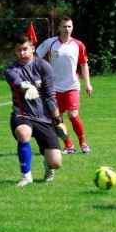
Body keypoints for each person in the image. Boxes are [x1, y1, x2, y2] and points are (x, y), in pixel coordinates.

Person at [4, 33, 63, 187]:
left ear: (32, 49)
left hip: (43, 118)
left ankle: (48, 166)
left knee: (56, 162)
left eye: (25, 49)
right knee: (23, 133)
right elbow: (16, 82)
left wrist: (57, 121)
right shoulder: (11, 69)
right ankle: (26, 176)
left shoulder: (43, 66)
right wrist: (26, 86)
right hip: (22, 115)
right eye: (18, 50)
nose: (22, 53)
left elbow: (50, 95)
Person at [36, 15, 93, 155]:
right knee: (57, 119)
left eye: (69, 26)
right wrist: (39, 76)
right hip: (54, 87)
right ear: (59, 28)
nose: (67, 29)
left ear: (72, 27)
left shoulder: (78, 45)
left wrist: (88, 84)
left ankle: (83, 143)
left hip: (72, 86)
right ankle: (69, 145)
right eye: (64, 26)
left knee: (73, 114)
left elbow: (83, 64)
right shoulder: (50, 43)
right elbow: (36, 58)